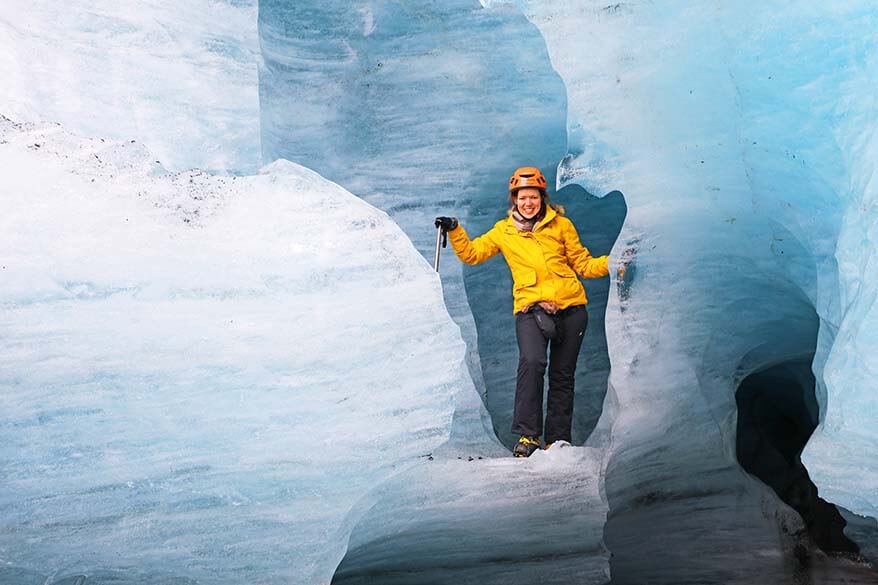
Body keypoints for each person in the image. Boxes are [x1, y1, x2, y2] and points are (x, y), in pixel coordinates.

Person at [435, 166, 610, 457]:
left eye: (533, 197)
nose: (528, 203)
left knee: (562, 375)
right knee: (532, 363)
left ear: (543, 198)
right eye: (522, 197)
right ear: (514, 200)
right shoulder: (503, 232)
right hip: (531, 310)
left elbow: (584, 265)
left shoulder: (561, 226)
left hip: (571, 309)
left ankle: (557, 440)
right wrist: (454, 229)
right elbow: (473, 254)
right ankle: (528, 437)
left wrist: (614, 261)